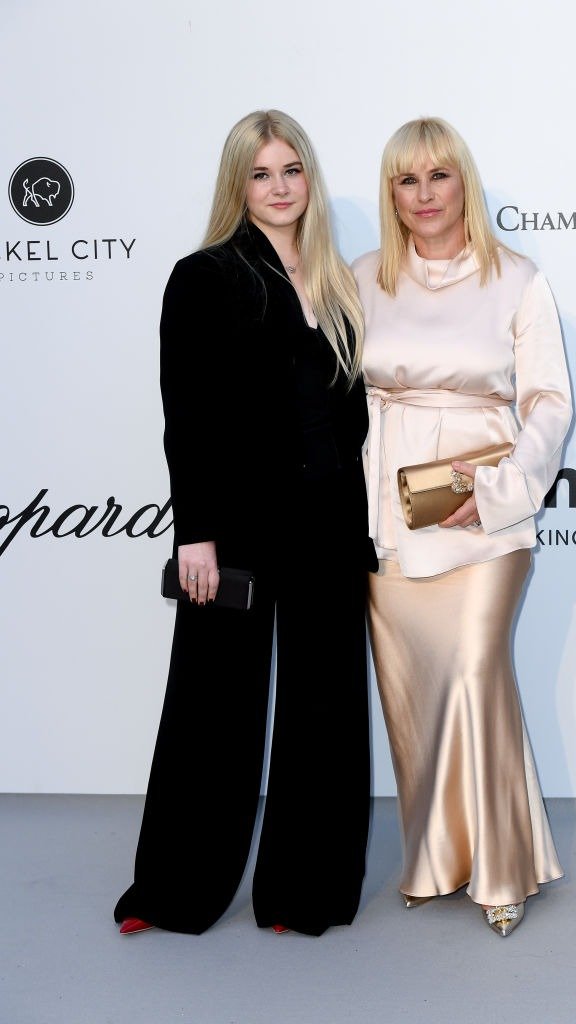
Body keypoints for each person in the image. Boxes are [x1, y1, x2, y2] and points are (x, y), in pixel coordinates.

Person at [114, 109, 377, 938]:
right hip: (237, 527)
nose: (279, 187)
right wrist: (195, 532)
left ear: (309, 178)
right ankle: (172, 890)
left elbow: (353, 419)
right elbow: (185, 415)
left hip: (329, 522)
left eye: (291, 170)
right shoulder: (204, 276)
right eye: (261, 173)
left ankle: (306, 895)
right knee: (211, 705)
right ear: (239, 183)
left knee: (324, 707)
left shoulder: (338, 278)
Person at [352, 116, 572, 936]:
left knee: (477, 672)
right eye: (405, 181)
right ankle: (436, 855)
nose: (423, 195)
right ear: (390, 193)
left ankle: (503, 865)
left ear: (463, 183)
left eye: (437, 176)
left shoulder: (516, 278)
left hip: (483, 508)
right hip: (386, 508)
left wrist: (506, 485)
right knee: (415, 693)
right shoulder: (364, 274)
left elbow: (549, 402)